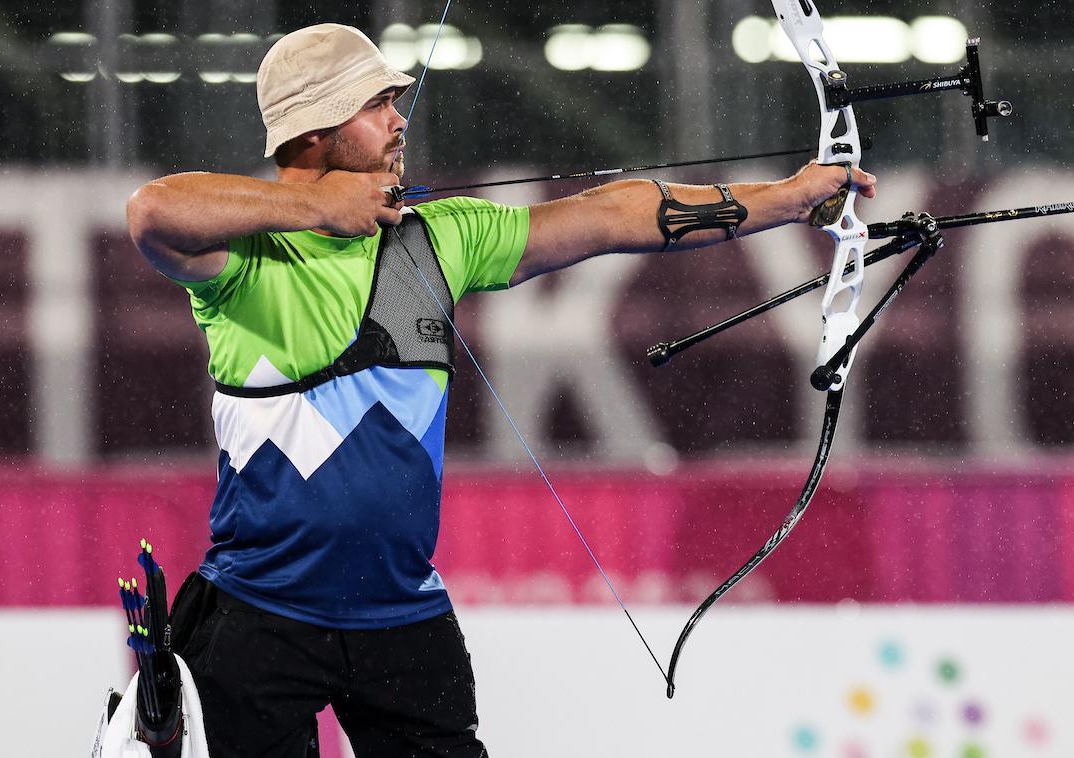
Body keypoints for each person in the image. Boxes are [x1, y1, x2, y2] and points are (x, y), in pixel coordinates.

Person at [125, 22, 875, 758]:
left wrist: (785, 198)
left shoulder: (440, 236)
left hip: (401, 617)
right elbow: (152, 211)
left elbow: (607, 215)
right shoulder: (247, 257)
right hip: (259, 616)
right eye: (376, 104)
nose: (398, 120)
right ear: (315, 128)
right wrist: (322, 208)